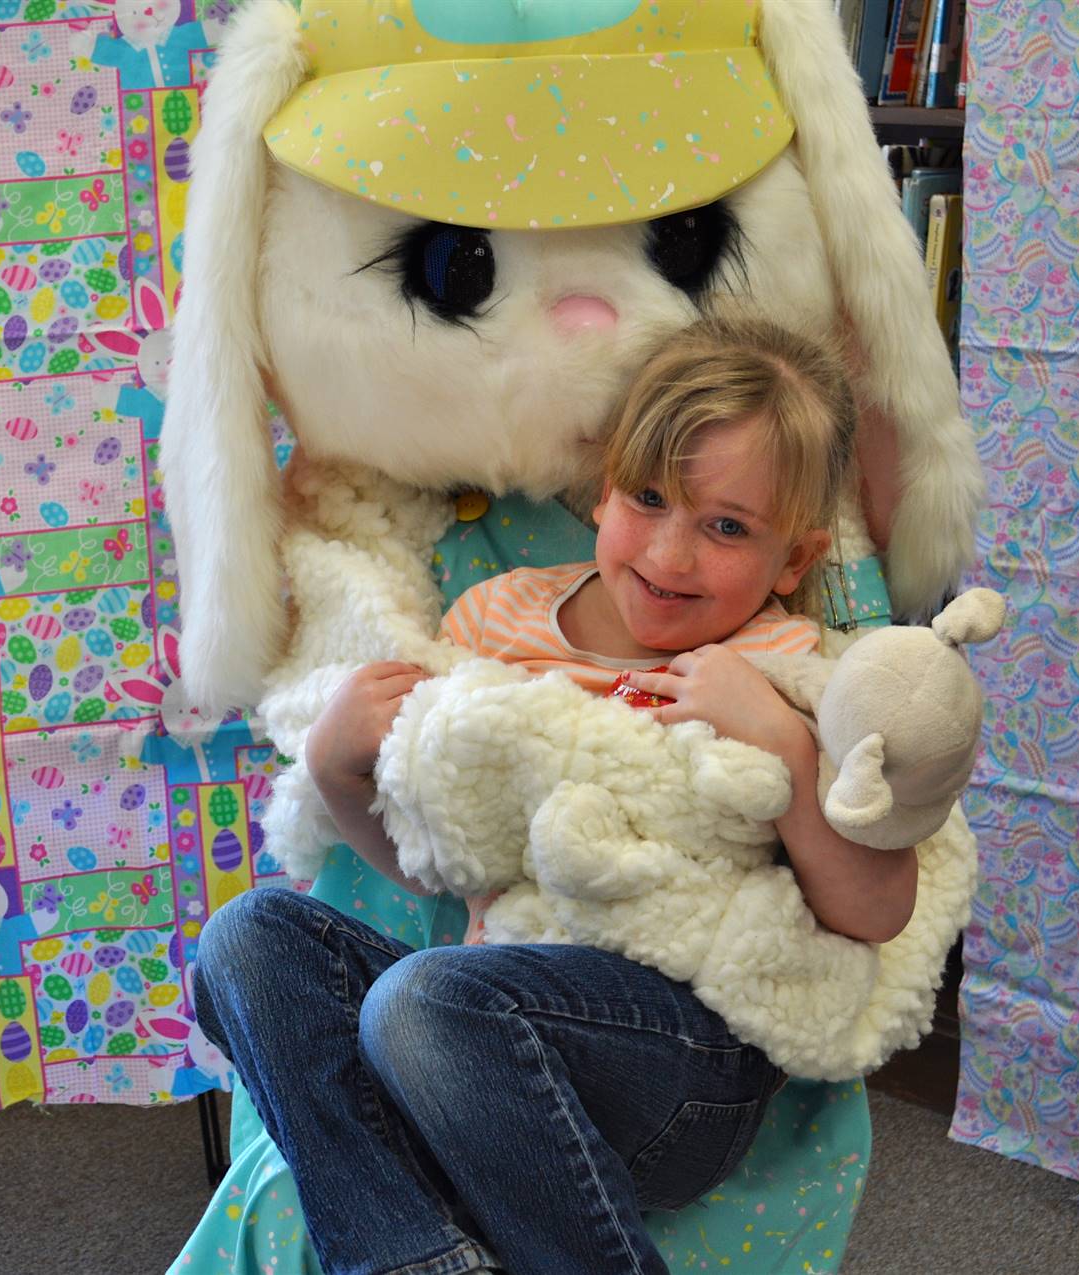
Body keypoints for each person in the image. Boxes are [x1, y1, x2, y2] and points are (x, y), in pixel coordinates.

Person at [193, 317, 920, 1275]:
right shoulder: (498, 616)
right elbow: (440, 862)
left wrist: (783, 746)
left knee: (427, 998)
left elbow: (877, 910)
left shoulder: (790, 670)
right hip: (471, 1030)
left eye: (728, 526)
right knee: (246, 942)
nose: (671, 553)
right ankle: (412, 1257)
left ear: (793, 560)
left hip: (681, 1066)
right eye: (649, 498)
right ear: (601, 488)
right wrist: (338, 768)